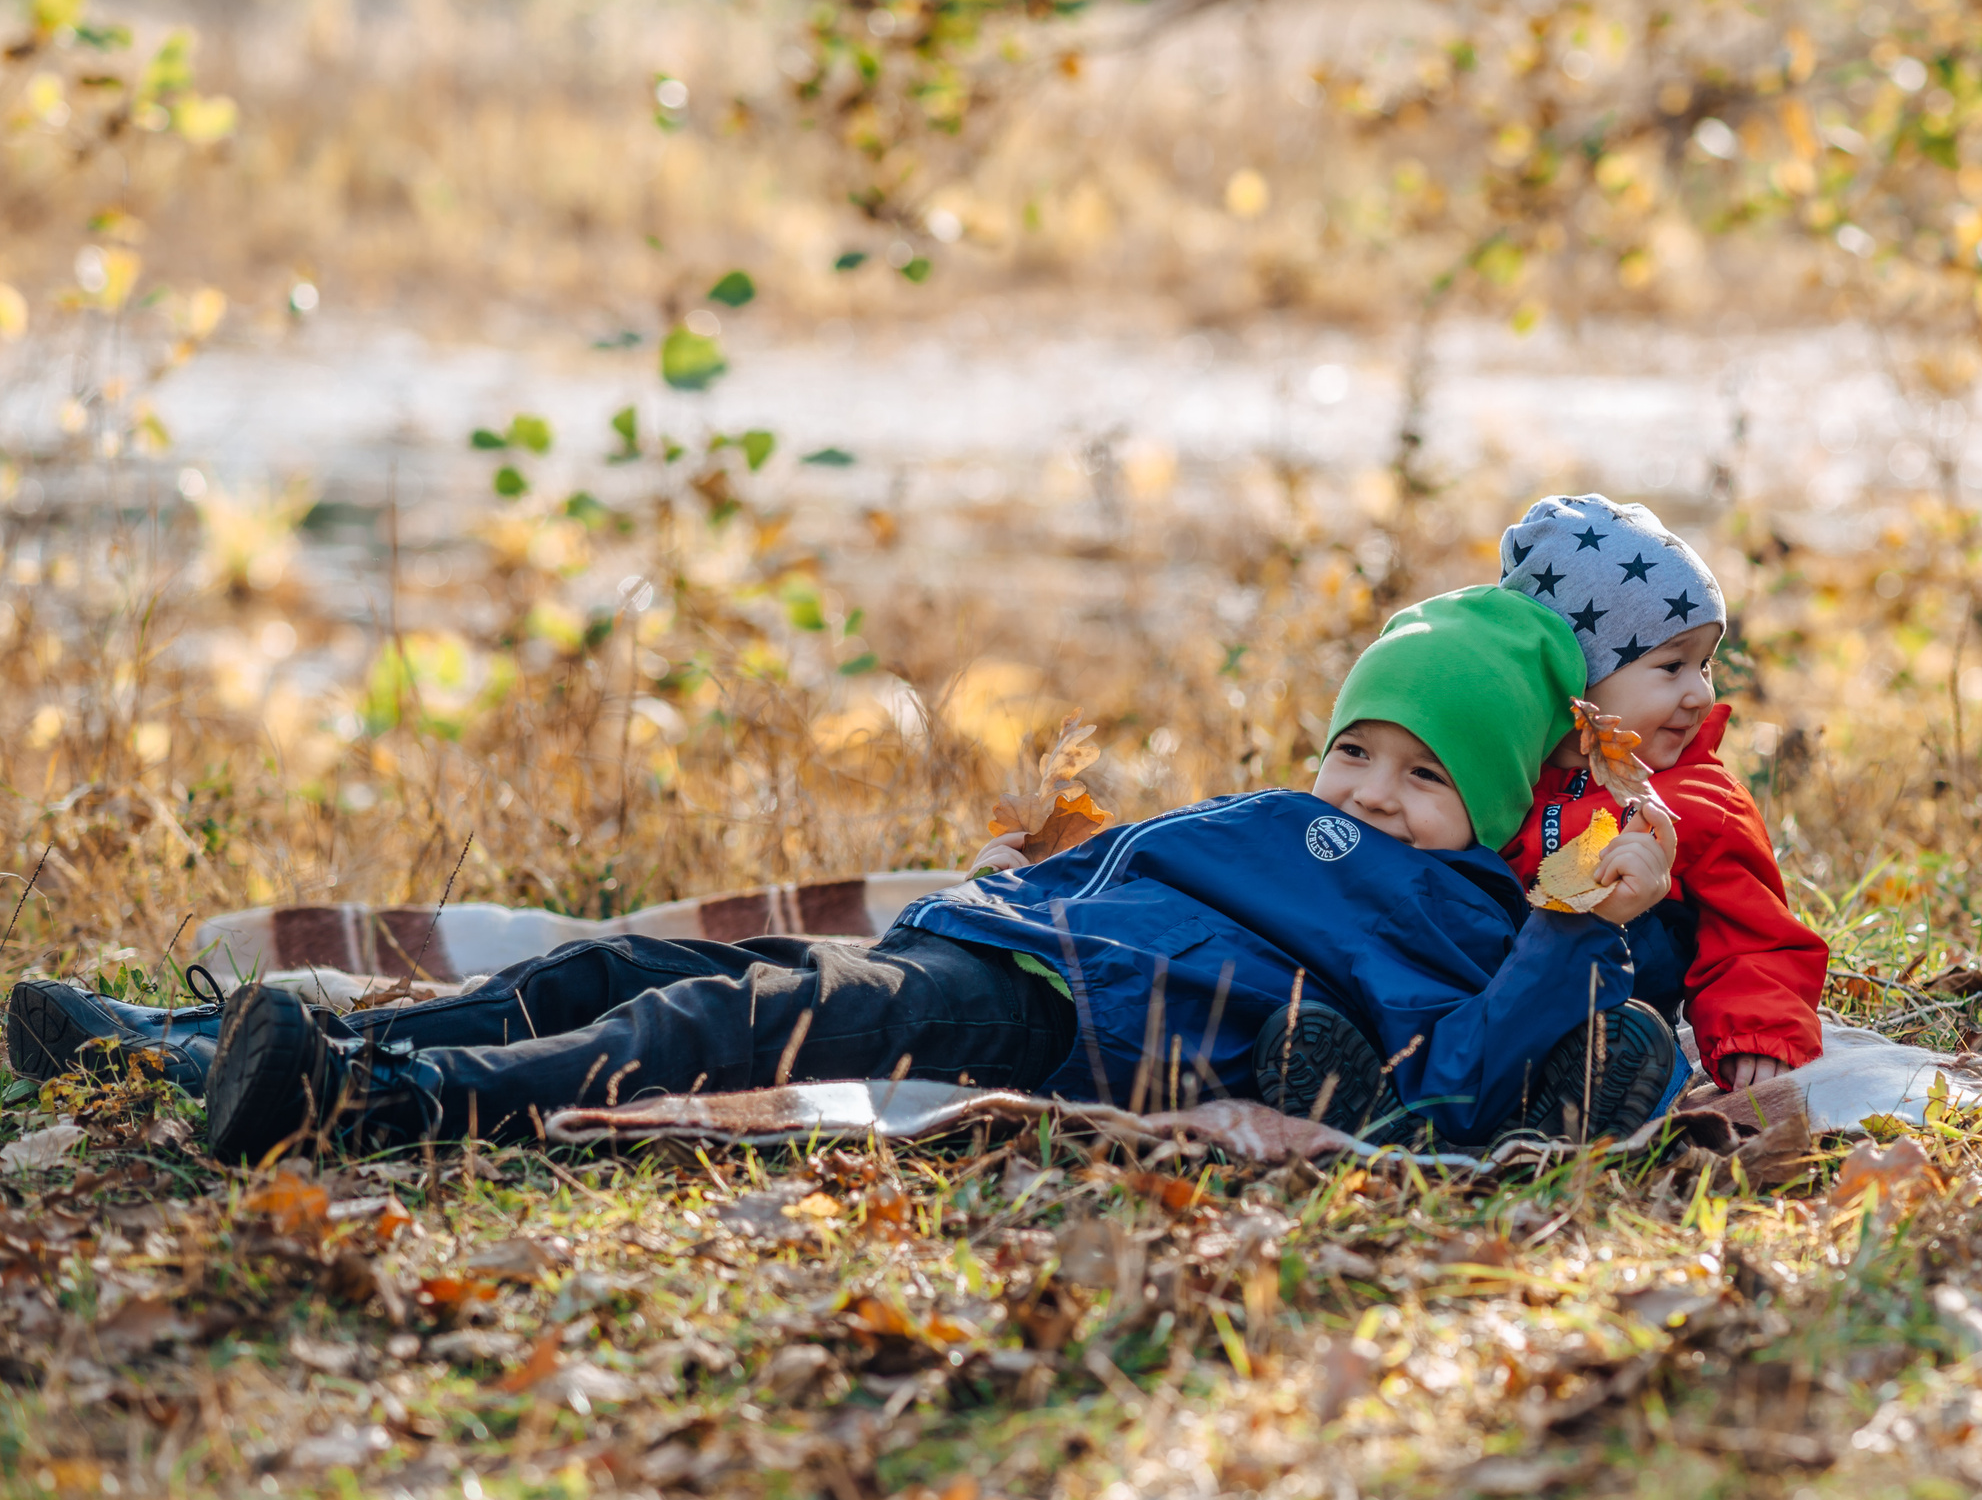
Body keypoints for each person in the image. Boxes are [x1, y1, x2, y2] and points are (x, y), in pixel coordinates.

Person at [184, 583, 1679, 1164]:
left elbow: (1453, 1090)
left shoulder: (1477, 915)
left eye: (1429, 777)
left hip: (1054, 1019)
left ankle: (382, 1103)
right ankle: (270, 1048)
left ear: (1492, 809)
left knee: (708, 1030)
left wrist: (1567, 933)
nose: (1372, 791)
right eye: (1359, 749)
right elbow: (1130, 865)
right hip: (1011, 941)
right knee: (627, 967)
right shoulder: (1285, 816)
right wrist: (1013, 885)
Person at [1493, 494, 1829, 1090]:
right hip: (1488, 987)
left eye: (1705, 665)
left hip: (1614, 997)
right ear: (1574, 675)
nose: (1700, 694)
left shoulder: (1697, 800)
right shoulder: (1496, 773)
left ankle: (1605, 1066)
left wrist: (1759, 1032)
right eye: (1672, 666)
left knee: (1646, 914)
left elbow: (1752, 936)